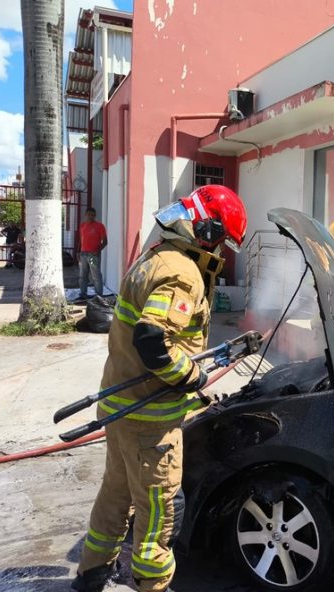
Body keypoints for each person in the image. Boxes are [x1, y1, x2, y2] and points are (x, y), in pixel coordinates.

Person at [71, 185, 247, 592]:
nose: (220, 249)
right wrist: (192, 377)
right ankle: (153, 584)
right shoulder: (182, 273)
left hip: (122, 406)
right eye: (220, 240)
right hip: (149, 422)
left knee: (116, 493)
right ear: (205, 229)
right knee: (160, 508)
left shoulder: (155, 256)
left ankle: (92, 574)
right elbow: (154, 342)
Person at [78, 207, 107, 300]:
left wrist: (97, 251)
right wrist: (78, 252)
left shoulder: (100, 226)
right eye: (89, 215)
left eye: (93, 215)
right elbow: (81, 240)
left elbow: (105, 241)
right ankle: (83, 293)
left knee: (95, 275)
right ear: (85, 215)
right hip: (83, 254)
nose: (90, 216)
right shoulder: (82, 226)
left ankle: (98, 295)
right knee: (83, 275)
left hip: (92, 255)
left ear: (95, 216)